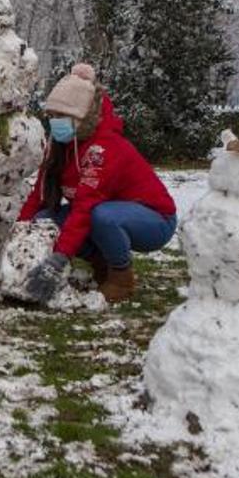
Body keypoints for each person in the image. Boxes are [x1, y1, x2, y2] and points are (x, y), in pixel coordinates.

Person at [17, 63, 178, 303]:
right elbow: (39, 193)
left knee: (101, 215)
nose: (55, 122)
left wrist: (59, 259)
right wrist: (19, 235)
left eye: (62, 116)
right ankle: (101, 265)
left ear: (82, 117)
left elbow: (85, 207)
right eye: (52, 115)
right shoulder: (60, 145)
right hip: (98, 212)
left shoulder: (104, 148)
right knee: (44, 222)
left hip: (154, 220)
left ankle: (121, 277)